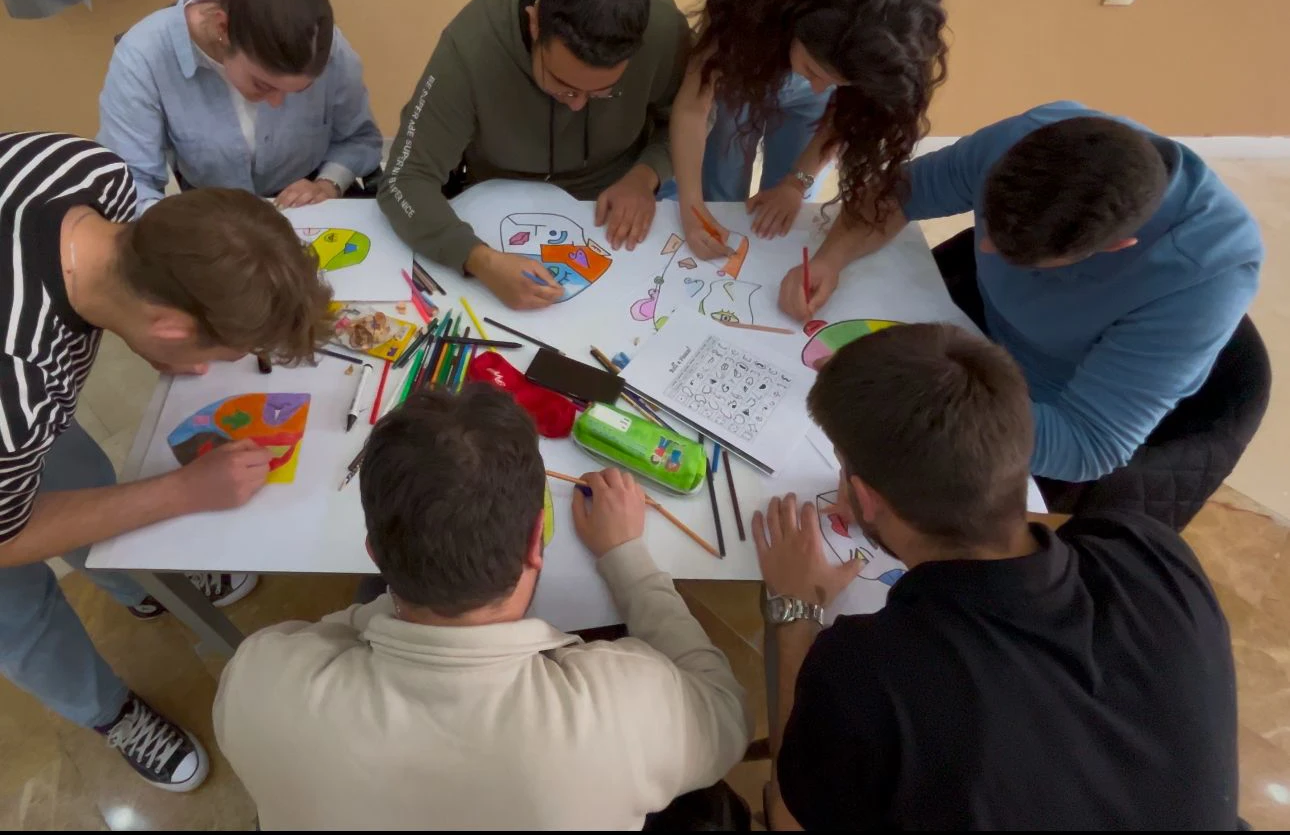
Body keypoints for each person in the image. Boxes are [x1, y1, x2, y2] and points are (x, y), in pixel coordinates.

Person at [755, 322, 1238, 829]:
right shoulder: (1152, 554)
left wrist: (797, 610)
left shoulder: (869, 672)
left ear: (866, 497)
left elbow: (788, 817)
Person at [213, 387, 750, 830]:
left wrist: (379, 613)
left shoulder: (260, 685)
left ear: (374, 553)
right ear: (536, 541)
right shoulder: (622, 711)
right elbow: (727, 712)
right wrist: (627, 557)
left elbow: (335, 632)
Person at [0, 132, 333, 793]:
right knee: (16, 606)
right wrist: (184, 491)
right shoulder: (20, 384)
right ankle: (108, 711)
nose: (211, 371)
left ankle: (140, 583)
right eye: (218, 355)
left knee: (66, 466)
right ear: (172, 327)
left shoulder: (92, 174)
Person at [781, 101, 1263, 487]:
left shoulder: (1206, 274)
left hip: (1032, 408)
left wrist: (915, 398)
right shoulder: (1033, 135)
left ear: (1112, 248)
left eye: (1019, 256)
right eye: (986, 222)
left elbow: (1087, 443)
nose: (983, 247)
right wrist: (831, 258)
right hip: (964, 330)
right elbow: (899, 193)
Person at [378, 0, 689, 309]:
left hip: (611, 206)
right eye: (563, 85)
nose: (577, 105)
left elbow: (686, 121)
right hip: (497, 208)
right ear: (534, 22)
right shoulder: (471, 49)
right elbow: (404, 179)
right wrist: (478, 259)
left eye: (602, 92)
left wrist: (645, 175)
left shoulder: (664, 30)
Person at [670, 0, 947, 253]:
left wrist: (795, 183)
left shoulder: (895, 30)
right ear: (789, 17)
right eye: (813, 71)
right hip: (745, 65)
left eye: (839, 83)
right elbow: (694, 104)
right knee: (720, 188)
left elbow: (852, 113)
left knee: (790, 206)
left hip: (817, 58)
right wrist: (692, 208)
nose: (819, 88)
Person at [99, 0, 382, 213]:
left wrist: (327, 184)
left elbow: (358, 138)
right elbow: (132, 183)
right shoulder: (144, 54)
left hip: (305, 205)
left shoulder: (326, 46)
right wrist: (179, 229)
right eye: (263, 84)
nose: (277, 103)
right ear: (223, 28)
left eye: (300, 91)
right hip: (210, 210)